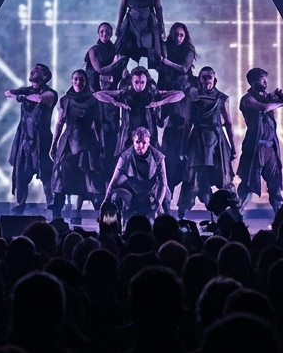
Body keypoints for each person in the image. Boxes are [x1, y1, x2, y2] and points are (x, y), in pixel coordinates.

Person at [178, 67, 235, 218]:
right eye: (203, 77)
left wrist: (233, 148)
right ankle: (181, 218)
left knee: (224, 179)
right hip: (197, 143)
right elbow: (187, 123)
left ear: (214, 80)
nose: (207, 80)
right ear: (199, 80)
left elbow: (228, 123)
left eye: (209, 77)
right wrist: (183, 148)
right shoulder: (193, 100)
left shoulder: (222, 98)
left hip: (218, 144)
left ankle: (224, 218)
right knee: (193, 180)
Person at [50, 70, 106, 222]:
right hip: (68, 142)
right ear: (71, 80)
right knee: (60, 178)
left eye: (81, 79)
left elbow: (99, 125)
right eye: (75, 79)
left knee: (88, 178)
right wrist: (54, 144)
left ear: (86, 81)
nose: (78, 82)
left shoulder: (94, 101)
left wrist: (101, 146)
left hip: (87, 144)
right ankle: (57, 218)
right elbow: (60, 122)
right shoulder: (65, 100)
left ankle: (103, 221)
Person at [235, 67, 283, 211]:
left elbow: (282, 102)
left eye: (266, 79)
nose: (265, 82)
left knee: (275, 186)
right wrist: (281, 102)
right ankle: (234, 218)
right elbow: (264, 107)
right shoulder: (248, 99)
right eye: (261, 79)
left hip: (270, 148)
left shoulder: (266, 97)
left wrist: (282, 97)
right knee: (247, 185)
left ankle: (281, 220)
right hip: (255, 148)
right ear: (253, 82)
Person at [6, 64, 58, 214]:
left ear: (45, 77)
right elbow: (8, 92)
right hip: (25, 140)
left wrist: (21, 97)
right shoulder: (27, 90)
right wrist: (17, 95)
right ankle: (19, 206)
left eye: (38, 71)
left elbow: (41, 99)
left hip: (42, 141)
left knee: (47, 175)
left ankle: (53, 208)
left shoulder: (51, 93)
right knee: (21, 174)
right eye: (33, 69)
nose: (33, 71)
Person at [157, 22, 197, 200]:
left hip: (183, 95)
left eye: (181, 35)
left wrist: (165, 62)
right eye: (176, 34)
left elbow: (184, 68)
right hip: (168, 94)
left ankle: (179, 195)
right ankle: (167, 192)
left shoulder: (188, 50)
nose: (178, 37)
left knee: (182, 141)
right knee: (168, 144)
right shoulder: (166, 48)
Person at [93, 67, 184, 144]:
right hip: (129, 134)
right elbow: (97, 94)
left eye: (142, 82)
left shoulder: (152, 93)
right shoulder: (125, 92)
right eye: (136, 82)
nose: (139, 86)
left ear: (146, 81)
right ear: (132, 81)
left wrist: (161, 102)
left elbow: (180, 94)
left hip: (150, 134)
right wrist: (114, 102)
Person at [104, 127, 169, 220]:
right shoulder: (125, 157)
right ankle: (119, 228)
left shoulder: (158, 157)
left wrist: (158, 202)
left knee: (166, 194)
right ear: (133, 142)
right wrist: (106, 200)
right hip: (132, 192)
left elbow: (163, 183)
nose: (140, 146)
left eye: (144, 142)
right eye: (137, 142)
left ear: (148, 142)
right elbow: (114, 181)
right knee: (115, 196)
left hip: (152, 192)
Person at [114, 0, 164, 70]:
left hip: (148, 23)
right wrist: (118, 26)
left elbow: (158, 6)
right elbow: (122, 6)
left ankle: (150, 79)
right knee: (126, 50)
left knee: (151, 51)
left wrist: (161, 25)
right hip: (131, 22)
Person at [85, 23, 126, 93]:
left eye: (107, 31)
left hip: (112, 85)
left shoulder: (115, 49)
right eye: (102, 31)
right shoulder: (93, 50)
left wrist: (124, 70)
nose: (104, 34)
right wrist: (115, 62)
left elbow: (120, 66)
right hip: (95, 86)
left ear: (111, 34)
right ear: (98, 33)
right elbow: (99, 70)